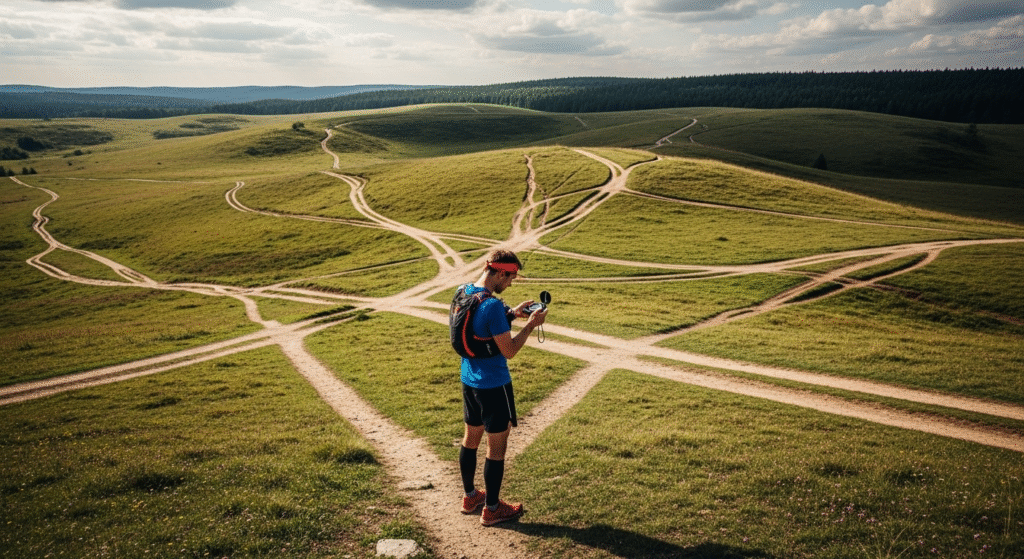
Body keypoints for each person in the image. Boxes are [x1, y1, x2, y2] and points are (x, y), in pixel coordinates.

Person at [452, 249, 547, 526]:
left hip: (469, 380)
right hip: (494, 386)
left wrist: (513, 314)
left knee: (470, 440)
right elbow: (509, 351)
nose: (512, 283)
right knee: (496, 449)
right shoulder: (492, 306)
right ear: (501, 272)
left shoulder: (464, 292)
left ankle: (470, 496)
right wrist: (530, 325)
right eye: (512, 276)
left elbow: (480, 329)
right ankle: (492, 509)